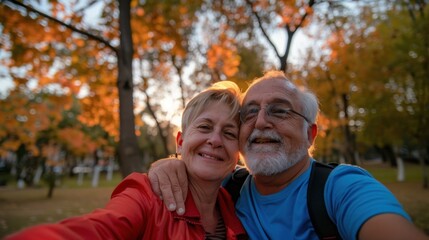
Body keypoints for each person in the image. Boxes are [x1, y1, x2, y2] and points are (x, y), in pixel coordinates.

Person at [148, 70, 429, 240]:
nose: (260, 123)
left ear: (310, 134)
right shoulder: (225, 190)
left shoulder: (341, 189)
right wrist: (171, 165)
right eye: (250, 113)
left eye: (279, 110)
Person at [5, 81, 247, 240]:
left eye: (229, 133)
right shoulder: (147, 195)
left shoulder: (241, 201)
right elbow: (98, 230)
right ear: (181, 142)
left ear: (238, 150)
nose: (215, 140)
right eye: (205, 127)